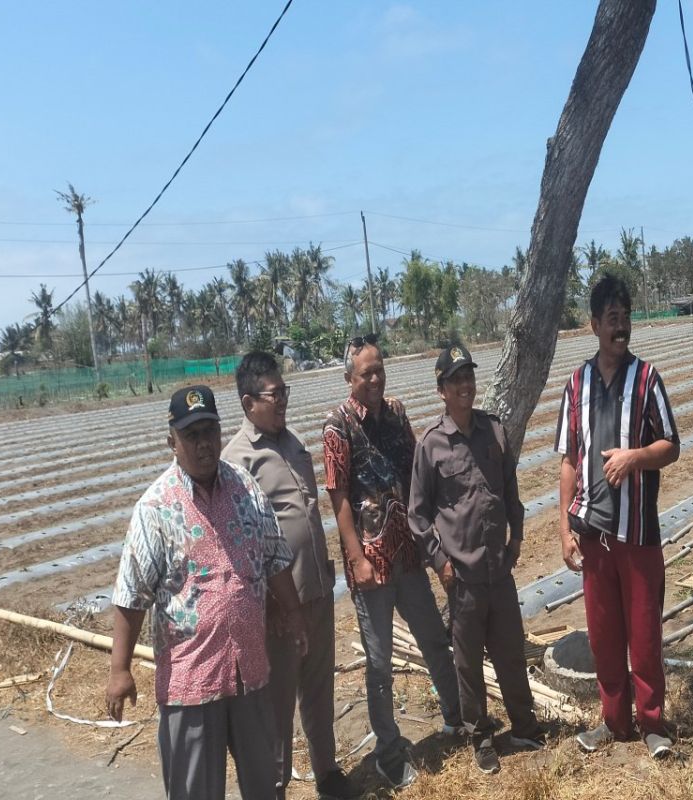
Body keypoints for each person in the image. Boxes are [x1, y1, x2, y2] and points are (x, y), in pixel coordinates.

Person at [105, 385, 308, 800]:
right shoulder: (156, 507)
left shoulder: (245, 488)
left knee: (265, 786)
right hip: (191, 680)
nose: (203, 444)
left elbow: (274, 556)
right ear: (172, 443)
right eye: (192, 435)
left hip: (250, 670)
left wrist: (294, 612)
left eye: (209, 432)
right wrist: (119, 670)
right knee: (194, 790)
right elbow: (131, 593)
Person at [322, 334, 463, 790]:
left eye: (380, 369)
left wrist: (430, 534)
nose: (376, 378)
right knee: (380, 664)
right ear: (350, 379)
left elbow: (414, 470)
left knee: (434, 642)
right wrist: (356, 557)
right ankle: (387, 751)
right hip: (372, 566)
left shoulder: (398, 413)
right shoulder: (337, 425)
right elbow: (338, 496)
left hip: (407, 554)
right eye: (366, 373)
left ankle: (456, 720)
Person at [222, 352, 358, 800]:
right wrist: (272, 605)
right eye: (273, 394)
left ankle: (328, 773)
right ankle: (274, 786)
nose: (282, 400)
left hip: (316, 589)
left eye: (284, 392)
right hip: (280, 606)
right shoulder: (237, 460)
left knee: (319, 687)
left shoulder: (293, 442)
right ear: (248, 403)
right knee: (277, 703)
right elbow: (240, 546)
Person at [555, 275, 680, 759]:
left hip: (638, 534)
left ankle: (651, 724)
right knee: (605, 636)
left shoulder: (647, 379)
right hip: (594, 535)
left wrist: (635, 458)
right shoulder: (576, 383)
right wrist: (564, 528)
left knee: (644, 634)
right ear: (594, 326)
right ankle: (614, 722)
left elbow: (671, 445)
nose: (621, 325)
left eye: (626, 317)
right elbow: (568, 459)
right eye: (612, 318)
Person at [408, 344, 546, 775]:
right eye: (456, 380)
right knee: (468, 665)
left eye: (468, 376)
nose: (465, 385)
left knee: (509, 653)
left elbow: (510, 490)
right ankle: (481, 737)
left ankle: (524, 726)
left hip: (498, 569)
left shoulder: (493, 430)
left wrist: (518, 536)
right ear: (442, 390)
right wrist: (441, 564)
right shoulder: (431, 445)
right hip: (462, 575)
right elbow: (417, 513)